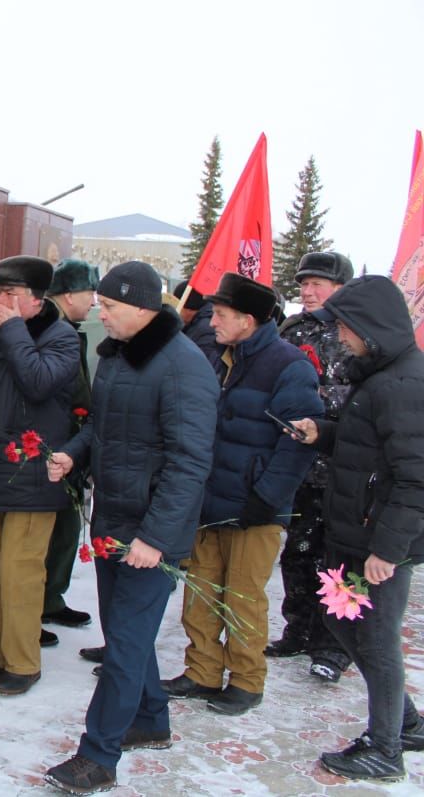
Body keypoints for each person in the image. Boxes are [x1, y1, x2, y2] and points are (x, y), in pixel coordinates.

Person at [43, 261, 219, 794]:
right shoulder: (118, 356)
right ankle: (151, 719)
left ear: (143, 309)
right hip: (113, 519)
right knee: (124, 634)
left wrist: (155, 539)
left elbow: (190, 462)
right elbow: (102, 425)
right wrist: (74, 455)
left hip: (150, 534)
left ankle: (98, 756)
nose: (101, 311)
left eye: (111, 306)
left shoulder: (184, 367)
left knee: (124, 645)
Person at [161, 272, 322, 716]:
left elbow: (297, 444)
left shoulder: (289, 365)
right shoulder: (215, 357)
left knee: (243, 598)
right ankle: (202, 671)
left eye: (223, 315)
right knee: (201, 593)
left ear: (248, 320)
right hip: (209, 499)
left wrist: (266, 498)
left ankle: (247, 680)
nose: (213, 322)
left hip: (255, 507)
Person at [291, 275, 424, 782]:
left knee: (375, 640)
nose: (340, 337)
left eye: (346, 327)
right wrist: (320, 433)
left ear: (371, 328)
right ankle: (406, 721)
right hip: (353, 533)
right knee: (342, 625)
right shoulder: (380, 377)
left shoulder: (404, 384)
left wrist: (388, 550)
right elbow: (363, 445)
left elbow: (415, 478)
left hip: (378, 544)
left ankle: (385, 749)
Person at [0, 255, 79, 695]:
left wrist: (11, 331)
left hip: (32, 473)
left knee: (20, 573)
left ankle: (23, 661)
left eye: (10, 294)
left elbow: (38, 382)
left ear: (35, 300)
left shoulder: (61, 338)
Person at [271, 251, 355, 684]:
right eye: (303, 283)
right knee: (297, 555)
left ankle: (336, 646)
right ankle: (298, 629)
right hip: (300, 467)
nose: (307, 290)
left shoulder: (356, 333)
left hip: (345, 471)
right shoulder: (293, 330)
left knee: (341, 563)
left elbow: (364, 400)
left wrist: (317, 408)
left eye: (318, 283)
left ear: (340, 288)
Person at [40, 259, 99, 648]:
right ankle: (39, 603)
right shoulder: (55, 331)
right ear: (68, 294)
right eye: (89, 293)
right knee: (53, 531)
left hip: (71, 443)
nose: (94, 301)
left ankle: (51, 598)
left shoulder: (69, 329)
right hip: (58, 445)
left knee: (65, 527)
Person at [173, 279, 221, 367]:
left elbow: (199, 365)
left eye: (177, 305)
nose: (175, 310)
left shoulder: (206, 330)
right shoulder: (193, 324)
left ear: (188, 308)